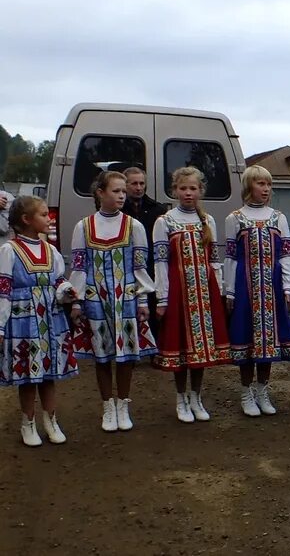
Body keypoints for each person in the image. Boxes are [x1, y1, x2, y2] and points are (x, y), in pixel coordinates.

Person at [69, 171, 157, 432]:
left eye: (123, 191)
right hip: (96, 300)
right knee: (102, 356)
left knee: (127, 356)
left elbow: (140, 266)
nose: (122, 195)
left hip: (126, 299)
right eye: (116, 191)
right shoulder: (83, 227)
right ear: (101, 193)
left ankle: (123, 405)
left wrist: (142, 300)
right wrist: (76, 302)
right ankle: (107, 406)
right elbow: (79, 268)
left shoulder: (134, 226)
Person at [153, 167, 231, 423]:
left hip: (204, 293)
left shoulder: (207, 221)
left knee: (202, 349)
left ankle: (196, 397)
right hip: (179, 292)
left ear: (200, 191)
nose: (188, 193)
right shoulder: (165, 222)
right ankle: (180, 398)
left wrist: (218, 289)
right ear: (175, 190)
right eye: (183, 188)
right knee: (181, 347)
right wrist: (162, 298)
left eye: (193, 188)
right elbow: (161, 262)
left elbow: (215, 260)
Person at [0, 196, 78, 446]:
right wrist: (0, 326)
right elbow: (3, 291)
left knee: (48, 375)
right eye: (43, 215)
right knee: (27, 376)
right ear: (26, 220)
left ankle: (51, 420)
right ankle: (28, 422)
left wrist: (66, 290)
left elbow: (57, 280)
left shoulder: (50, 250)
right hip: (23, 322)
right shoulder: (8, 251)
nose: (48, 218)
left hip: (50, 320)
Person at [224, 165, 290, 417]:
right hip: (246, 287)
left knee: (268, 342)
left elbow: (287, 254)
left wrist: (288, 287)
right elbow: (231, 258)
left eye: (268, 184)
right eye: (260, 184)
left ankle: (262, 391)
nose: (265, 189)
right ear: (248, 187)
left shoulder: (278, 218)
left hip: (273, 287)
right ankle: (246, 393)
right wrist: (230, 291)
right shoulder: (235, 218)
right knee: (246, 340)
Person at [122, 167, 166, 333]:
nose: (139, 187)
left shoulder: (158, 210)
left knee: (152, 306)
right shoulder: (119, 210)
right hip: (126, 264)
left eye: (142, 183)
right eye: (134, 183)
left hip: (150, 265)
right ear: (125, 185)